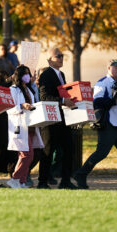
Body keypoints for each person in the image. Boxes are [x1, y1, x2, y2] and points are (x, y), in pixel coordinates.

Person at [73, 59, 117, 189]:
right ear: (109, 68)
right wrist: (114, 100)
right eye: (116, 68)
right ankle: (81, 174)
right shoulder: (102, 83)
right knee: (101, 153)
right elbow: (97, 102)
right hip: (108, 124)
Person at [36, 48, 77, 189]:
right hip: (50, 118)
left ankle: (65, 181)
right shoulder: (46, 75)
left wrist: (70, 100)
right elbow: (44, 97)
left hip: (62, 117)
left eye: (62, 55)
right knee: (47, 151)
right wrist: (62, 101)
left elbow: (63, 94)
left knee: (68, 149)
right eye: (57, 56)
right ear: (49, 60)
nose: (61, 58)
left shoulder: (62, 74)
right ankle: (42, 182)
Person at [6, 66, 43, 188]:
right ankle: (15, 179)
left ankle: (21, 182)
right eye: (25, 74)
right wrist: (21, 106)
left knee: (25, 154)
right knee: (27, 154)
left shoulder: (28, 89)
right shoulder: (13, 89)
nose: (28, 76)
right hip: (19, 125)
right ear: (19, 75)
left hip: (30, 125)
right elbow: (9, 108)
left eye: (29, 74)